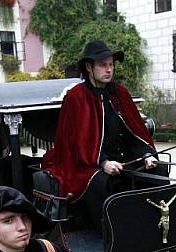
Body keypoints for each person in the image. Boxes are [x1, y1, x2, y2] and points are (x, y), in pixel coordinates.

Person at [41, 40, 165, 230]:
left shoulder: (120, 93)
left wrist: (146, 154)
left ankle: (151, 227)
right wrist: (103, 162)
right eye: (103, 65)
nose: (109, 70)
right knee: (100, 181)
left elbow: (135, 130)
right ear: (89, 67)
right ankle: (111, 234)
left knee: (159, 171)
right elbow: (75, 143)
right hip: (86, 164)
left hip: (125, 159)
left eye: (111, 65)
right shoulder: (76, 97)